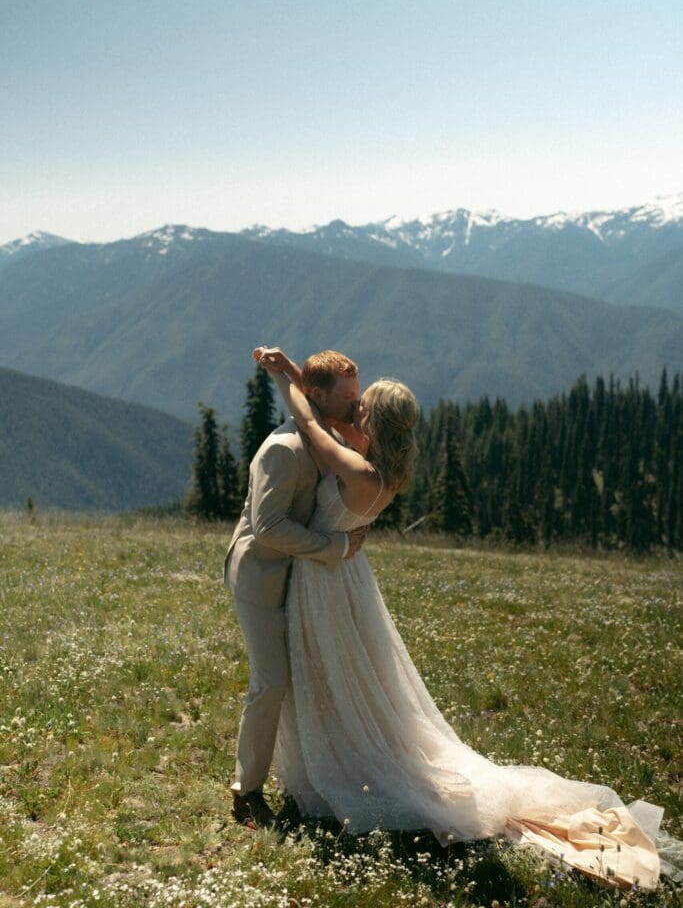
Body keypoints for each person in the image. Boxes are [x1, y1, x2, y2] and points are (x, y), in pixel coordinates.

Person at [254, 344, 680, 893]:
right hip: (344, 579)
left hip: (327, 581)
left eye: (363, 408)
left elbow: (311, 421)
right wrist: (295, 371)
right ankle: (341, 741)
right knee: (346, 673)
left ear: (374, 424)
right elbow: (326, 415)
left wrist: (281, 376)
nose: (354, 410)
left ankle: (341, 755)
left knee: (329, 670)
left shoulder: (357, 468)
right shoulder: (384, 469)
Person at [224, 349, 371, 829]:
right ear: (319, 397)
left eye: (357, 393)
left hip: (298, 578)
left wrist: (286, 369)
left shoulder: (321, 431)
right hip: (261, 578)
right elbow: (268, 528)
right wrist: (336, 545)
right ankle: (246, 793)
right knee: (271, 683)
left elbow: (299, 393)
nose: (357, 402)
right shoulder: (283, 451)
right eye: (347, 396)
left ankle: (308, 774)